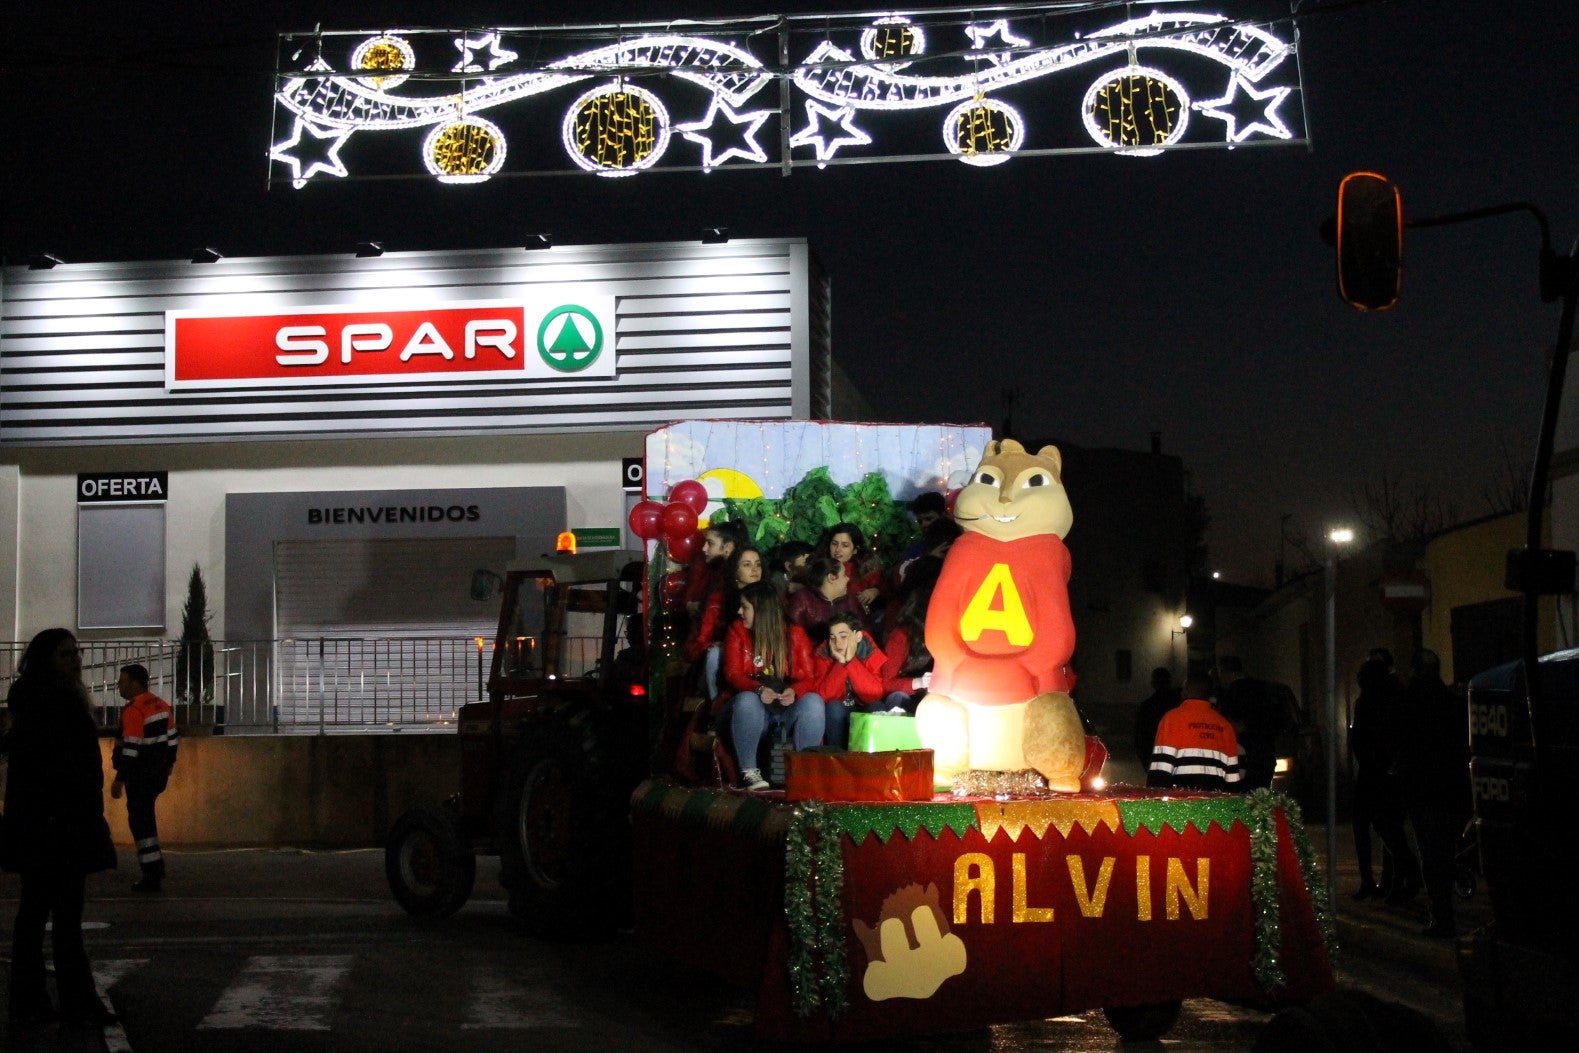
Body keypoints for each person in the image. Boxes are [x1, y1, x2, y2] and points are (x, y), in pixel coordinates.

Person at [2, 629, 118, 1027]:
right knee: (63, 917)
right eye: (66, 654)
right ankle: (74, 1001)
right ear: (46, 659)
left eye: (76, 652)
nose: (76, 660)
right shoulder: (57, 703)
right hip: (61, 825)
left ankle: (30, 999)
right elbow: (66, 770)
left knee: (35, 914)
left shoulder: (32, 701)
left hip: (42, 824)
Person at [716, 581, 825, 790]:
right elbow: (732, 673)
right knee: (748, 700)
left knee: (813, 701)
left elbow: (810, 677)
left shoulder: (794, 634)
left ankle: (803, 772)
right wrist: (757, 689)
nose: (740, 611)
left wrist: (795, 691)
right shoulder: (737, 630)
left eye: (745, 607)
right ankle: (749, 772)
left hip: (782, 709)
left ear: (761, 610)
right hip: (746, 712)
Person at [1396, 648, 1470, 937]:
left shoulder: (1409, 702)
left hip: (1423, 791)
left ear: (1415, 670)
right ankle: (1448, 906)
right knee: (1448, 851)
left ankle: (1441, 916)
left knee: (1431, 853)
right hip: (1451, 789)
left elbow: (1403, 747)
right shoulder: (1451, 701)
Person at [1348, 656, 1419, 902]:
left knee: (1368, 824)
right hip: (1389, 772)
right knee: (1389, 827)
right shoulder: (1396, 697)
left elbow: (1359, 738)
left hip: (1372, 773)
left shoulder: (1367, 701)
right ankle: (1401, 876)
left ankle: (1393, 875)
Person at [111, 663, 179, 893]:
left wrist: (120, 778)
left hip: (140, 776)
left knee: (141, 824)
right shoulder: (161, 705)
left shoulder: (134, 711)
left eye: (122, 681)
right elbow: (172, 738)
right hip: (158, 774)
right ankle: (154, 870)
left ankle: (152, 875)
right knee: (145, 820)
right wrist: (169, 764)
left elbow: (130, 748)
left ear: (134, 683)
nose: (118, 685)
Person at [684, 544, 765, 701]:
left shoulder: (770, 596)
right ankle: (715, 707)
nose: (754, 570)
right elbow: (702, 639)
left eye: (758, 564)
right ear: (735, 570)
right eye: (747, 565)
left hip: (761, 652)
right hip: (729, 655)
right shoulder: (719, 599)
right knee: (715, 653)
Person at [1146, 675, 1242, 790]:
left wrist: (1154, 798)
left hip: (1180, 801)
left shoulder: (1171, 719)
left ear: (1186, 690)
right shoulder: (1224, 725)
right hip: (1215, 802)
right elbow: (1232, 778)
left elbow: (1160, 769)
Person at [813, 612, 891, 749]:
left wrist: (851, 662)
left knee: (877, 707)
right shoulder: (824, 652)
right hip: (839, 709)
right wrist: (841, 663)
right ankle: (836, 758)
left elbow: (875, 694)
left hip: (864, 706)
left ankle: (872, 761)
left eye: (843, 636)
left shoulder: (869, 650)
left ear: (858, 636)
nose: (837, 643)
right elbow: (825, 695)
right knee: (834, 707)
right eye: (833, 638)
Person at [1214, 657, 1292, 791]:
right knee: (1262, 796)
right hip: (1266, 753)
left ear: (1226, 672)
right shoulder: (1264, 690)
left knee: (1243, 796)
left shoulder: (1232, 693)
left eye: (1221, 673)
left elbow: (1228, 724)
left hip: (1244, 756)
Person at [880, 555, 941, 714]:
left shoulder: (942, 635)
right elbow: (886, 682)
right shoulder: (901, 636)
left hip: (930, 695)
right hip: (904, 693)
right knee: (898, 698)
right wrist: (918, 682)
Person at [786, 555, 864, 644]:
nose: (848, 578)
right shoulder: (802, 600)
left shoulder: (851, 600)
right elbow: (795, 641)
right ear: (831, 578)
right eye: (844, 574)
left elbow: (864, 632)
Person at [820, 522, 883, 612]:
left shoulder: (867, 568)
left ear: (855, 550)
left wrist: (875, 591)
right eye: (834, 544)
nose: (837, 550)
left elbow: (884, 590)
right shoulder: (820, 565)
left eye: (845, 545)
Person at [1131, 667, 1182, 765]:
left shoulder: (1147, 706)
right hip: (1175, 756)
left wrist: (1145, 759)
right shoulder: (1178, 704)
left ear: (1153, 683)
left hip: (1154, 756)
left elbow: (1139, 737)